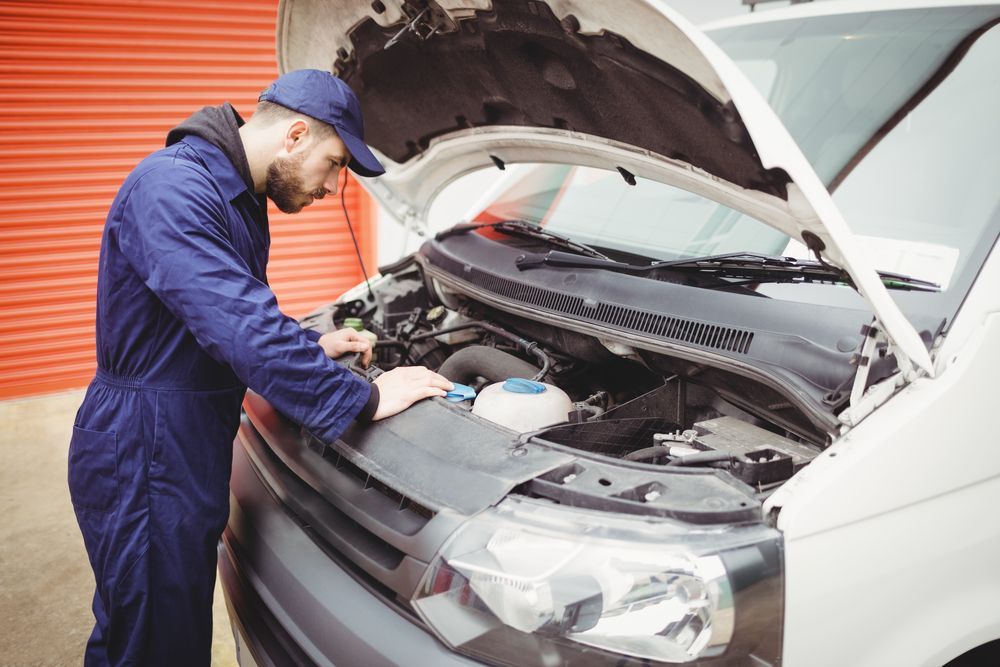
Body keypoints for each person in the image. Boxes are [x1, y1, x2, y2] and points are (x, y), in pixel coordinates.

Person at [67, 69, 453, 666]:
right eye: (334, 163)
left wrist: (310, 349)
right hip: (146, 450)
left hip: (175, 441)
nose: (332, 187)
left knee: (147, 626)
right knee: (150, 645)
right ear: (296, 136)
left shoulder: (233, 196)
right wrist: (366, 399)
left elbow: (214, 319)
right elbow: (240, 326)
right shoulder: (174, 189)